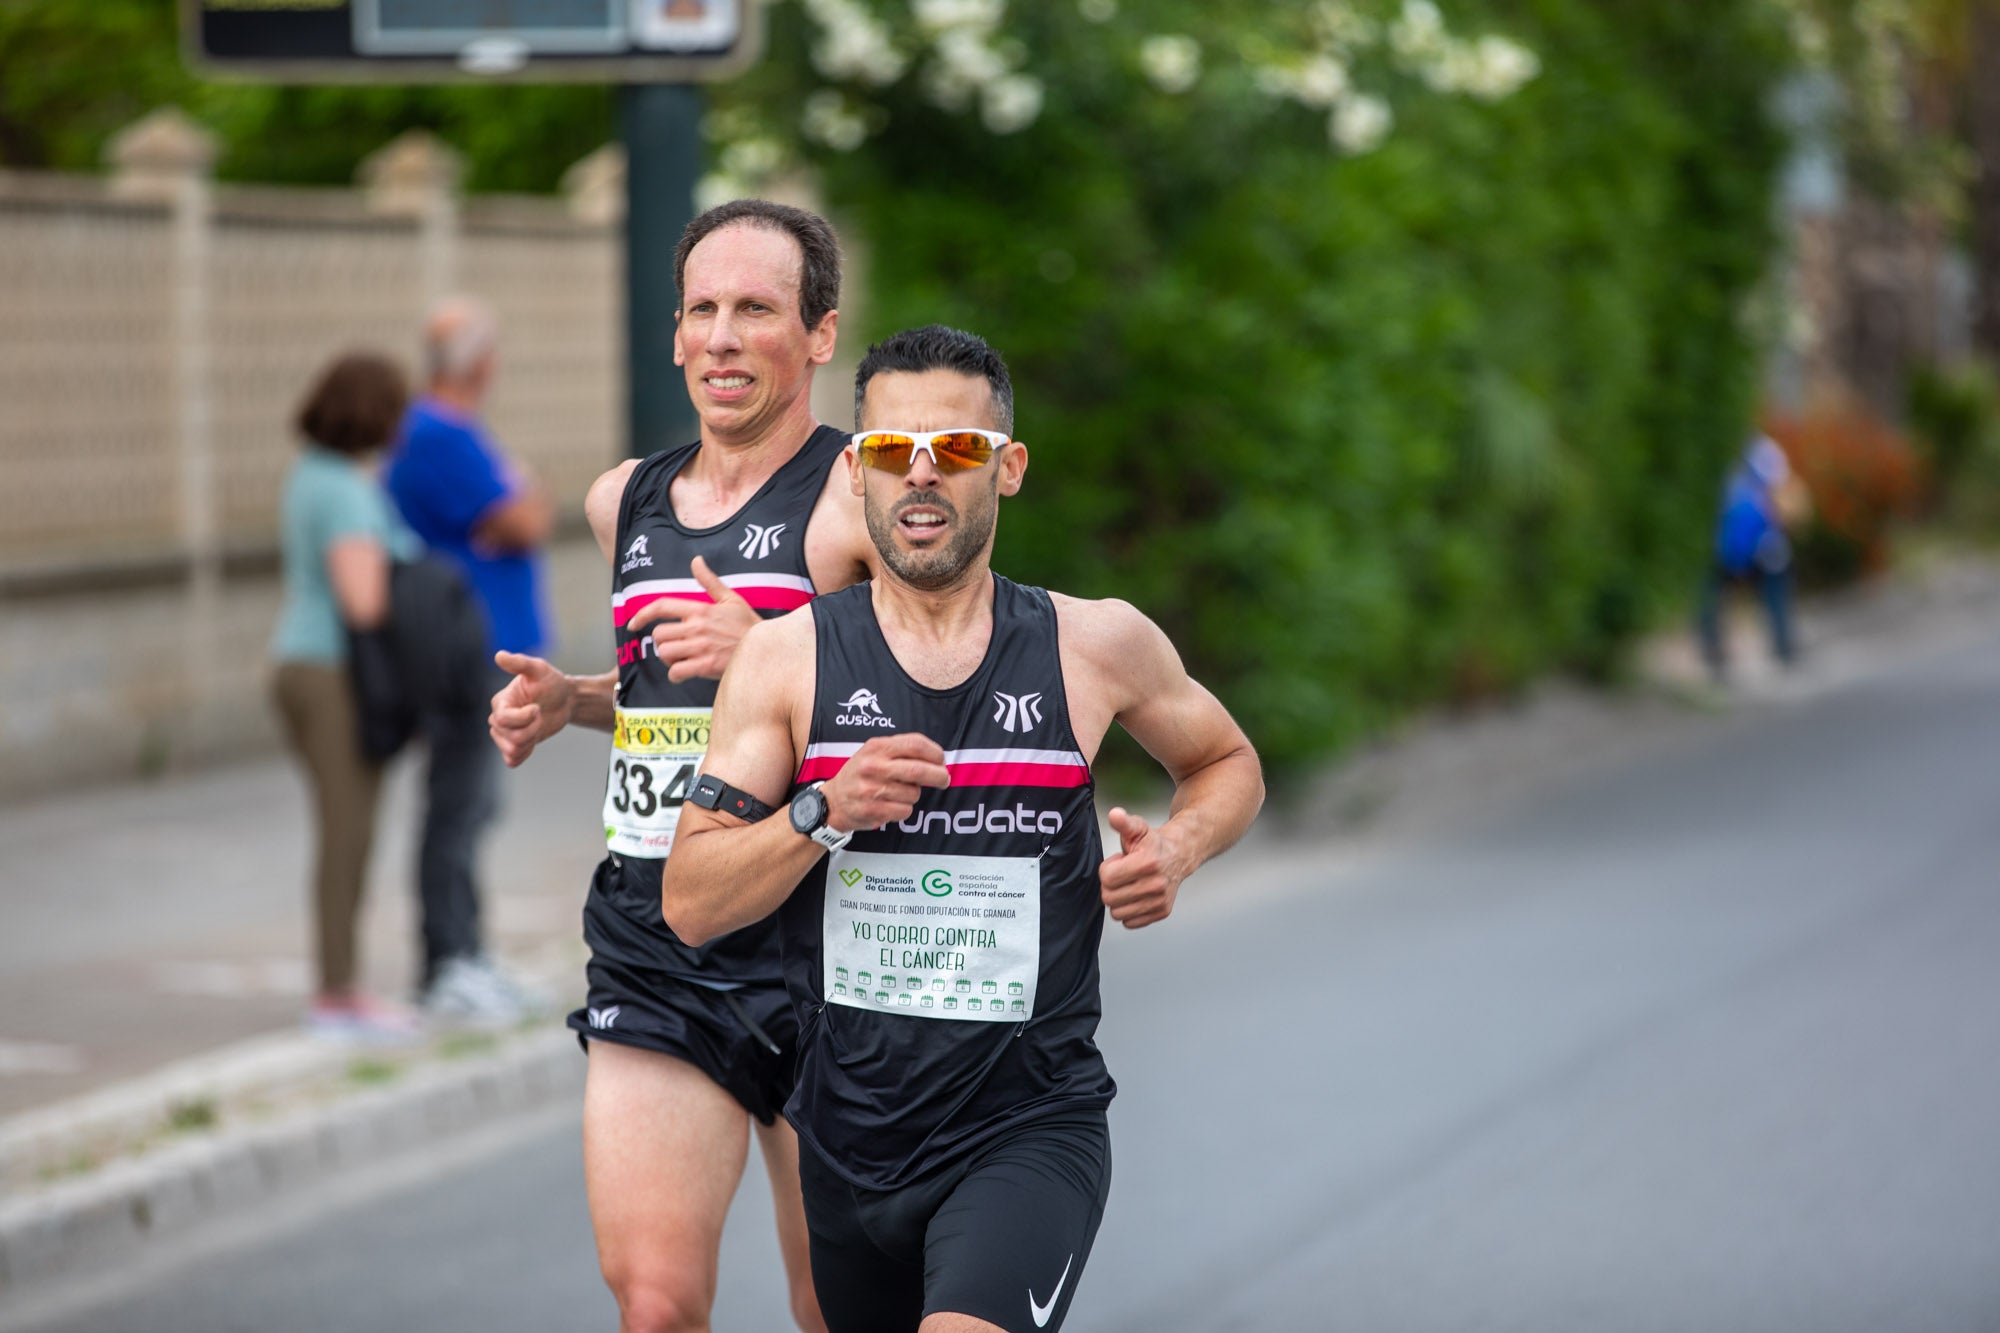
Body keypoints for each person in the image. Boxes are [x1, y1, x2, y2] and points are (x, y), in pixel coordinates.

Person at [662, 325, 1265, 1333]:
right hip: (848, 1141)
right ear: (855, 469)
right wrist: (820, 810)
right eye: (891, 449)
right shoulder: (785, 662)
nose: (921, 472)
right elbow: (689, 900)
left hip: (1027, 1126)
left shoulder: (1093, 643)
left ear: (1008, 467)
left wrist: (1179, 846)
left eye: (955, 447)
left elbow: (1226, 760)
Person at [486, 199, 874, 1333]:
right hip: (660, 934)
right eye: (701, 309)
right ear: (673, 335)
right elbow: (674, 701)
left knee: (833, 1307)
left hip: (825, 943)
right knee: (653, 1305)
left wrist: (771, 651)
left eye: (755, 309)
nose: (721, 337)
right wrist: (573, 701)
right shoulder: (626, 500)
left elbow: (934, 704)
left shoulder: (860, 495)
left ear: (819, 334)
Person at [384, 296, 554, 1023]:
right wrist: (522, 492)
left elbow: (522, 517)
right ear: (480, 362)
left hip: (488, 645)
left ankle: (468, 953)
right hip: (465, 648)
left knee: (476, 806)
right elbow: (525, 518)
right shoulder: (436, 434)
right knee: (459, 805)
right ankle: (448, 961)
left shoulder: (456, 430)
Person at [269, 351, 422, 1040]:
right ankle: (337, 993)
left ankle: (341, 985)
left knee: (342, 829)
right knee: (347, 834)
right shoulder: (346, 490)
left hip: (298, 660)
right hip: (333, 673)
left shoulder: (310, 474)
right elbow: (363, 601)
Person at [1698, 432, 1809, 680]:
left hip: (1754, 551)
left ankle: (1778, 646)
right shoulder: (1748, 479)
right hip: (1750, 551)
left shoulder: (1749, 473)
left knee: (1727, 596)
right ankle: (1777, 647)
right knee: (1767, 596)